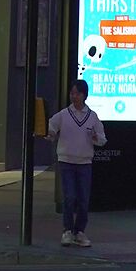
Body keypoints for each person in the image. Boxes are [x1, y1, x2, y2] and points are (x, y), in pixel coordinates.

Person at [49, 77, 106, 247]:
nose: (74, 96)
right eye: (72, 93)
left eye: (77, 93)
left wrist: (96, 138)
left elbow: (102, 138)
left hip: (84, 162)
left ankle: (79, 231)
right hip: (66, 160)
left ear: (84, 95)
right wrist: (51, 134)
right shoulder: (64, 114)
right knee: (69, 196)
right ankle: (67, 231)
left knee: (83, 198)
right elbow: (52, 125)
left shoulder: (92, 116)